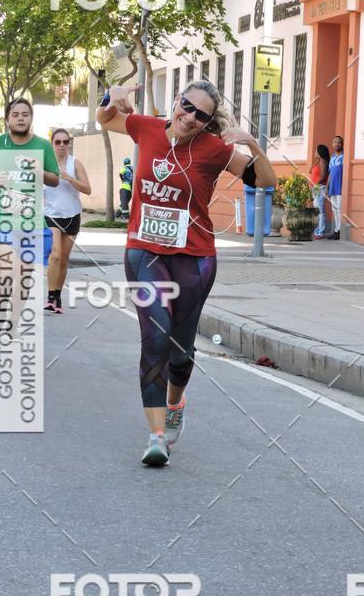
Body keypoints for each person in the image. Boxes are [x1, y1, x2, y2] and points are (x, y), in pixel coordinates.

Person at [96, 80, 277, 467]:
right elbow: (105, 118)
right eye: (186, 105)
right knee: (155, 338)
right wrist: (113, 93)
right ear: (177, 101)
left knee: (180, 349)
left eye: (200, 114)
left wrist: (253, 144)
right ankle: (156, 437)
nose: (189, 116)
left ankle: (176, 402)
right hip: (144, 251)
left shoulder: (214, 149)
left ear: (208, 121)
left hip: (194, 257)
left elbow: (266, 181)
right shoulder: (145, 126)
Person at [0, 98, 59, 337]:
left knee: (23, 278)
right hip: (3, 221)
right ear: (7, 119)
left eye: (25, 114)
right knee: (7, 271)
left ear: (31, 119)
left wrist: (40, 172)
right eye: (16, 114)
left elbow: (55, 179)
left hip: (33, 224)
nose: (21, 118)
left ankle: (11, 323)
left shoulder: (43, 146)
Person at [44, 128, 92, 313]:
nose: (62, 145)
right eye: (58, 142)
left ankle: (57, 298)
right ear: (52, 144)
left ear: (69, 143)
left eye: (66, 141)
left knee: (64, 259)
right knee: (55, 254)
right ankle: (50, 298)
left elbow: (88, 189)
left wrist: (69, 178)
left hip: (72, 215)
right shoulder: (45, 165)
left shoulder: (75, 164)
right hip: (51, 215)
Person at [310, 144, 329, 240]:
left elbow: (323, 176)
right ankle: (317, 230)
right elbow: (311, 172)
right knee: (317, 210)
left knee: (320, 210)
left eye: (316, 151)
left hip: (320, 188)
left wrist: (315, 185)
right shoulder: (317, 162)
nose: (315, 153)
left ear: (320, 152)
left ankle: (320, 232)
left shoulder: (323, 162)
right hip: (315, 188)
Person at [327, 135, 344, 240]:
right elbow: (330, 173)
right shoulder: (332, 157)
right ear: (332, 144)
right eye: (335, 142)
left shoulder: (344, 156)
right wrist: (328, 187)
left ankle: (339, 230)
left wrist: (343, 187)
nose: (337, 144)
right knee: (334, 209)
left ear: (342, 144)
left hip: (340, 187)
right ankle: (336, 230)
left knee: (339, 209)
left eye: (339, 142)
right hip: (332, 187)